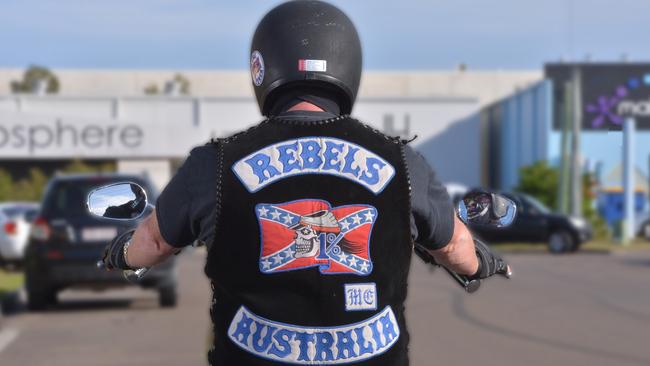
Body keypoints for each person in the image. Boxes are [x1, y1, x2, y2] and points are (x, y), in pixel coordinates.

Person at [101, 1, 506, 365]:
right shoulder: (403, 163)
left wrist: (118, 254)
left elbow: (153, 244)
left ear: (263, 66)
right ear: (349, 65)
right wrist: (485, 263)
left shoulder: (214, 165)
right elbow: (455, 247)